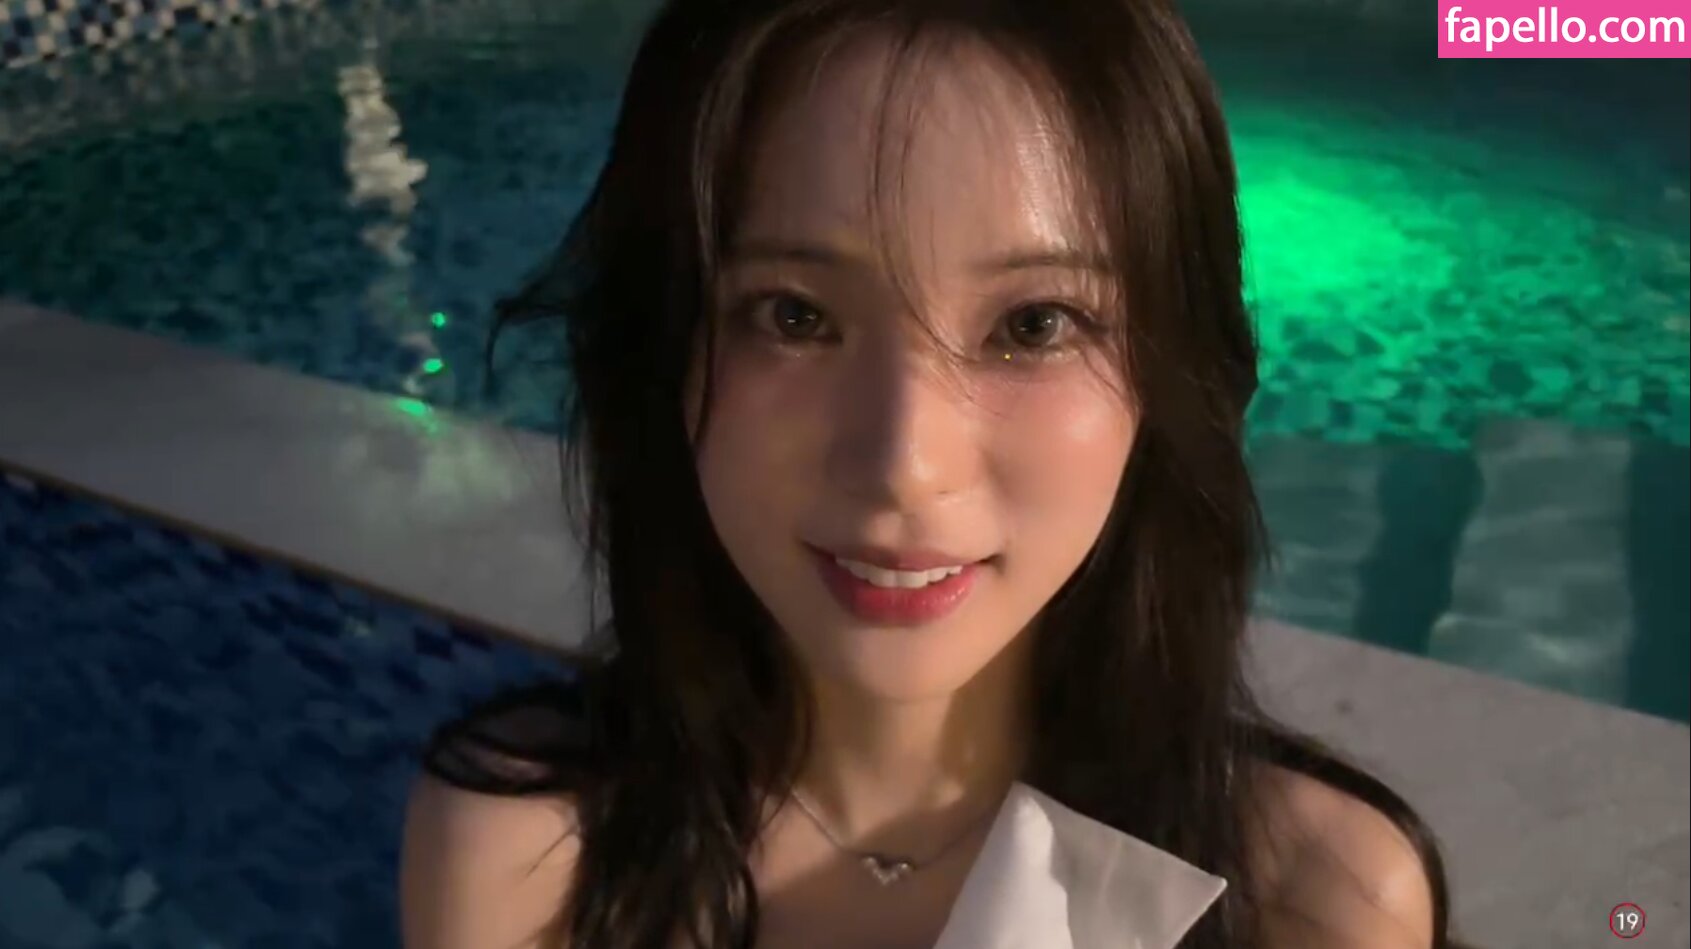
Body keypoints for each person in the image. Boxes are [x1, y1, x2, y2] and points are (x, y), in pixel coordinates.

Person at [400, 0, 1459, 946]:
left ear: (1166, 376)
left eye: (1033, 324)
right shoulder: (531, 868)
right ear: (663, 354)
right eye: (793, 315)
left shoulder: (1311, 903)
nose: (903, 463)